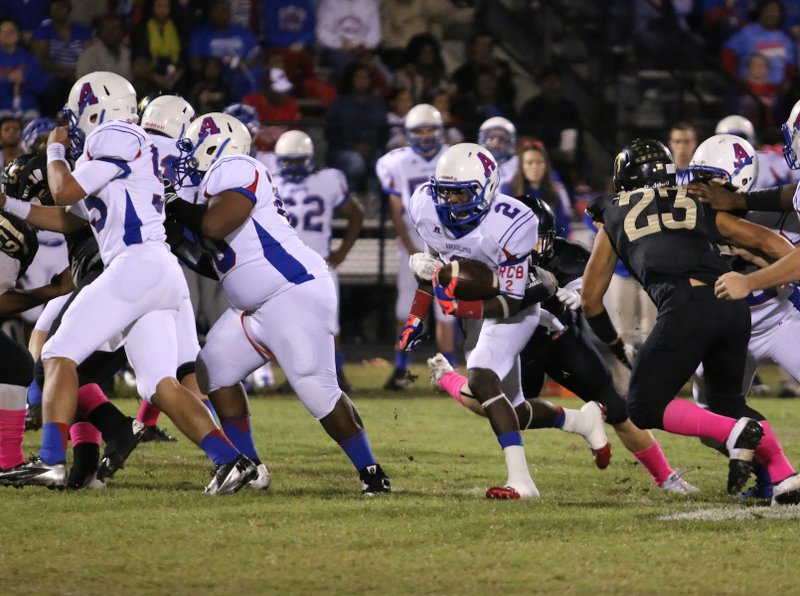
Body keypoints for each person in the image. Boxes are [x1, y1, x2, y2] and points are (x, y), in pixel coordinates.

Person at [0, 72, 257, 494]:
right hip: (158, 273)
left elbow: (62, 190)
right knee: (159, 385)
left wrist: (57, 148)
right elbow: (70, 218)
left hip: (135, 264)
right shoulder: (121, 148)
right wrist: (9, 203)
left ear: (95, 108)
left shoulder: (115, 134)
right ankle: (230, 461)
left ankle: (49, 459)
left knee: (57, 353)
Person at [166, 112, 391, 495]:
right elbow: (216, 261)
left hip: (291, 293)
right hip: (253, 309)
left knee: (316, 388)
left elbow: (213, 226)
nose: (188, 156)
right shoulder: (213, 188)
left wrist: (174, 204)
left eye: (193, 145)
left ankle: (372, 473)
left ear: (216, 143)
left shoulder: (237, 165)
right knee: (213, 370)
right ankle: (249, 466)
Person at [426, 196, 696, 493]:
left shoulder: (567, 254)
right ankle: (448, 377)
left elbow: (585, 283)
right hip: (518, 347)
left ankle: (667, 477)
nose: (530, 247)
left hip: (560, 341)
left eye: (537, 239)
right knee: (498, 407)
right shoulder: (490, 256)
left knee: (618, 408)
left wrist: (579, 293)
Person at [582, 138, 800, 505]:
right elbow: (777, 247)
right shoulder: (693, 203)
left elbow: (590, 301)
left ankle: (735, 433)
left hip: (695, 308)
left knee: (643, 405)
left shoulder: (614, 213)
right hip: (732, 310)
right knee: (726, 403)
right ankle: (781, 479)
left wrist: (614, 342)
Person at [399, 142, 542, 499]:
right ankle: (582, 421)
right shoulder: (424, 207)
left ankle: (522, 482)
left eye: (461, 194)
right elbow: (438, 270)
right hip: (473, 313)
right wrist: (416, 316)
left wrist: (456, 309)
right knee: (513, 408)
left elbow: (512, 300)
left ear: (488, 188)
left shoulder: (513, 222)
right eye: (445, 194)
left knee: (480, 378)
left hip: (512, 311)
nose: (450, 203)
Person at [688, 132, 800, 496]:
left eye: (711, 179)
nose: (701, 187)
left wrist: (753, 264)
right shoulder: (693, 211)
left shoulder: (751, 216)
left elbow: (784, 252)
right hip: (727, 330)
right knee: (711, 424)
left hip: (777, 318)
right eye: (698, 176)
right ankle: (770, 480)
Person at [272, 130, 363, 393]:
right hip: (286, 265)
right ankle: (296, 377)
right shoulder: (271, 181)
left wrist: (342, 251)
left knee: (328, 324)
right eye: (289, 161)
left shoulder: (327, 179)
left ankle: (337, 373)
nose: (294, 167)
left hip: (318, 264)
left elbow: (355, 214)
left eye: (298, 161)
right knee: (291, 325)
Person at [0, 164, 73, 479]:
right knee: (15, 362)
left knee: (14, 361)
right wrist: (53, 290)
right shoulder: (13, 232)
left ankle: (9, 462)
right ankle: (8, 462)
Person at [376, 103, 454, 390]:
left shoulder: (451, 156)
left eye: (430, 129)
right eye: (418, 130)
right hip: (412, 243)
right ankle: (401, 370)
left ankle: (448, 373)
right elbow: (396, 211)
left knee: (447, 311)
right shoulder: (395, 161)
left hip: (447, 243)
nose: (424, 135)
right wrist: (412, 250)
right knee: (405, 310)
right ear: (407, 133)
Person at [504, 140, 572, 238]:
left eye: (539, 162)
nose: (535, 167)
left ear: (546, 165)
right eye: (529, 162)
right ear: (521, 166)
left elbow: (562, 227)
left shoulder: (556, 192)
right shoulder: (508, 190)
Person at [477, 116, 518, 188]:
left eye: (502, 138)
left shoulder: (517, 163)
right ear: (483, 139)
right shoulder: (476, 163)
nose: (496, 142)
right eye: (491, 137)